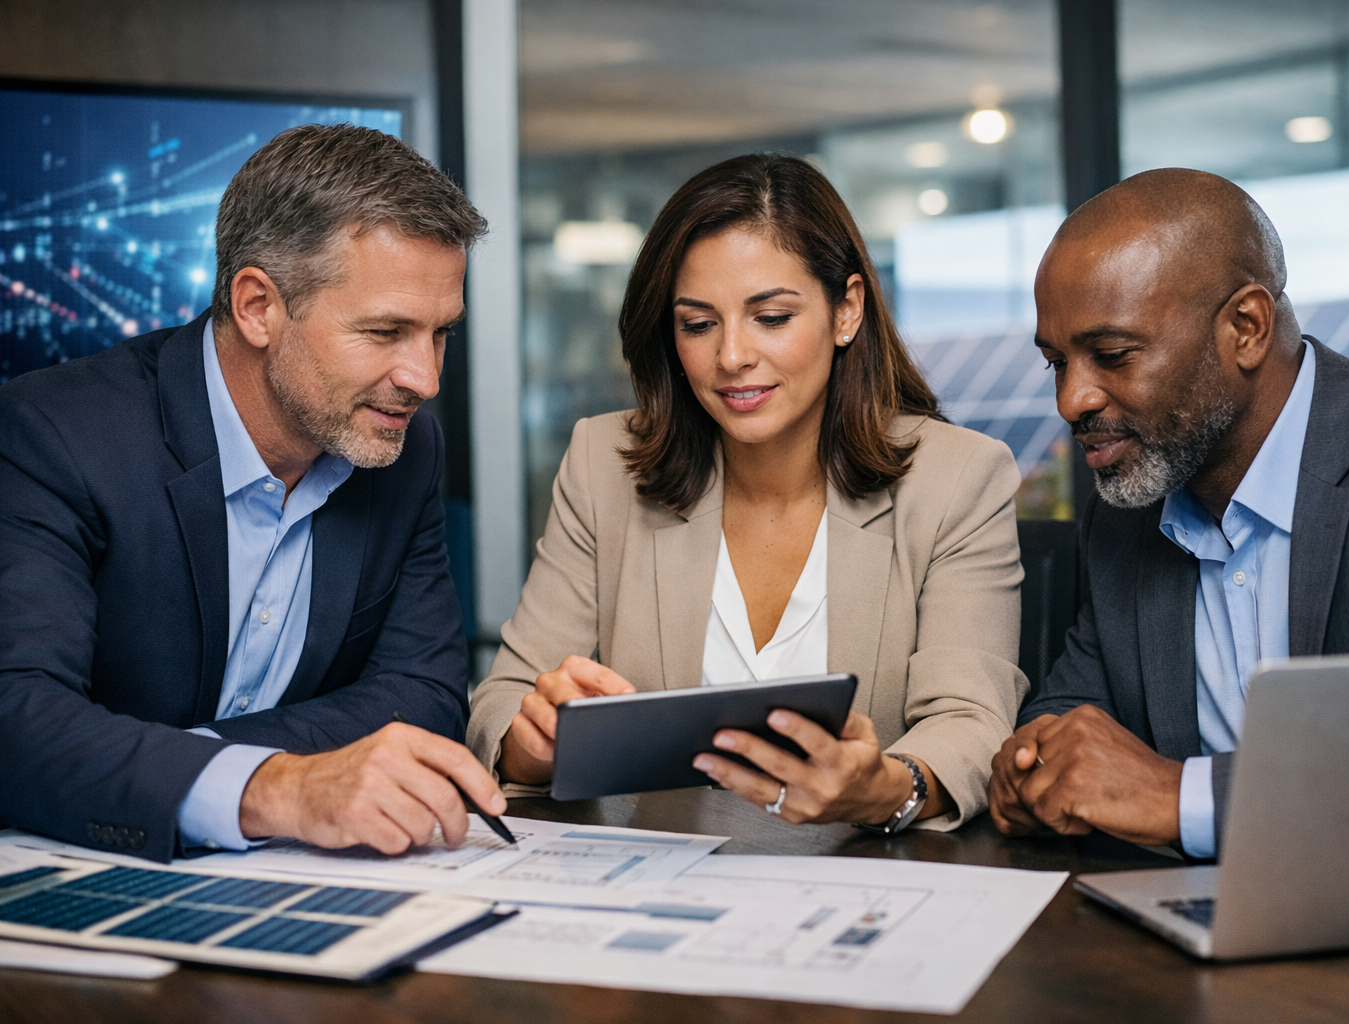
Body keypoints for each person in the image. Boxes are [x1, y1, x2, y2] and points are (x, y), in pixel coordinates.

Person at [987, 167, 1349, 858]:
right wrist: (1035, 762)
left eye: (1112, 355)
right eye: (1055, 364)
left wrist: (1179, 796)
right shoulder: (1124, 516)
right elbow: (1074, 710)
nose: (1072, 401)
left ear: (1246, 327)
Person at [468, 154, 1026, 831]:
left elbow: (969, 724)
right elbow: (502, 703)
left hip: (863, 882)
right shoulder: (602, 464)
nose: (731, 355)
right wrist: (532, 746)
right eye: (698, 324)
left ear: (846, 310)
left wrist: (888, 787)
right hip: (656, 884)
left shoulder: (959, 478)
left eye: (771, 317)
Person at [0, 124, 507, 863]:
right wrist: (275, 788)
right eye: (386, 331)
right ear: (258, 306)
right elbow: (17, 716)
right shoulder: (56, 435)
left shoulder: (404, 450)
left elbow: (423, 699)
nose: (424, 380)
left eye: (440, 335)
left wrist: (182, 769)